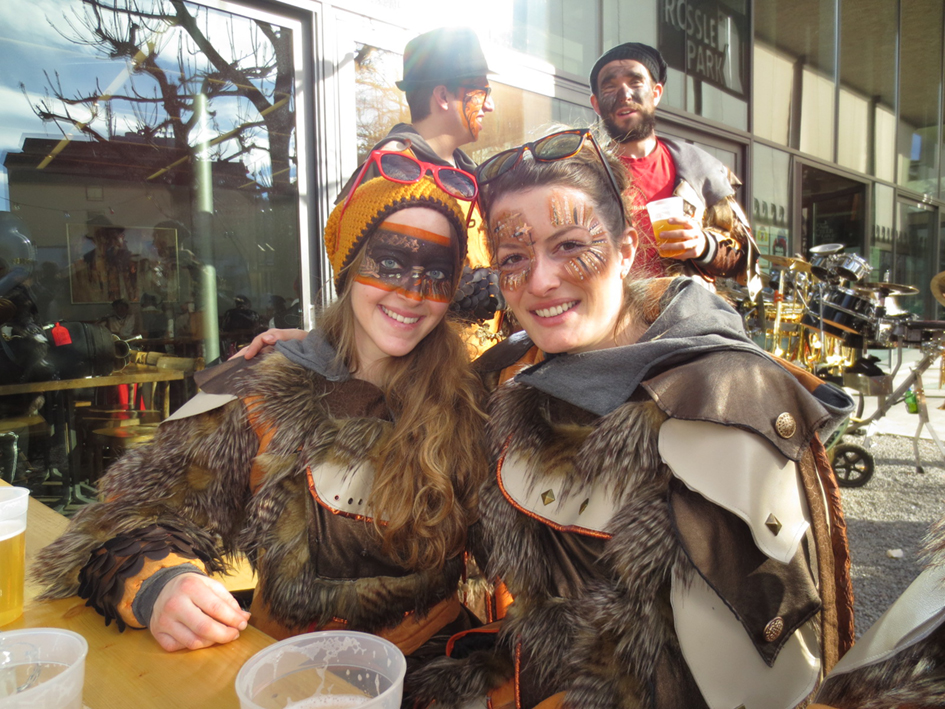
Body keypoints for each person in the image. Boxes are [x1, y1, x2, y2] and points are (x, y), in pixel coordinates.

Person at [407, 129, 856, 709]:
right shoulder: (511, 369)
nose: (540, 282)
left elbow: (763, 681)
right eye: (514, 258)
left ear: (624, 250)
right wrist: (320, 357)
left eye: (570, 245)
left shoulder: (724, 395)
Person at [31, 153, 488, 694]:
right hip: (293, 677)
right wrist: (161, 584)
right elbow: (118, 517)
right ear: (348, 266)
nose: (412, 294)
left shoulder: (471, 399)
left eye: (435, 274)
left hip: (439, 673)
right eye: (388, 264)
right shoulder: (261, 386)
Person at [342, 27, 503, 352]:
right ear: (443, 96)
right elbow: (360, 281)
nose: (491, 105)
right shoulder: (391, 170)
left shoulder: (472, 175)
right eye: (481, 91)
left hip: (482, 365)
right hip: (424, 370)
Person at [589, 42, 761, 296]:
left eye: (636, 82)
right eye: (610, 86)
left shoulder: (698, 169)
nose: (624, 94)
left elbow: (744, 259)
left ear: (656, 93)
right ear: (596, 104)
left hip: (682, 314)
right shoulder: (582, 174)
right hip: (607, 314)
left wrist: (703, 245)